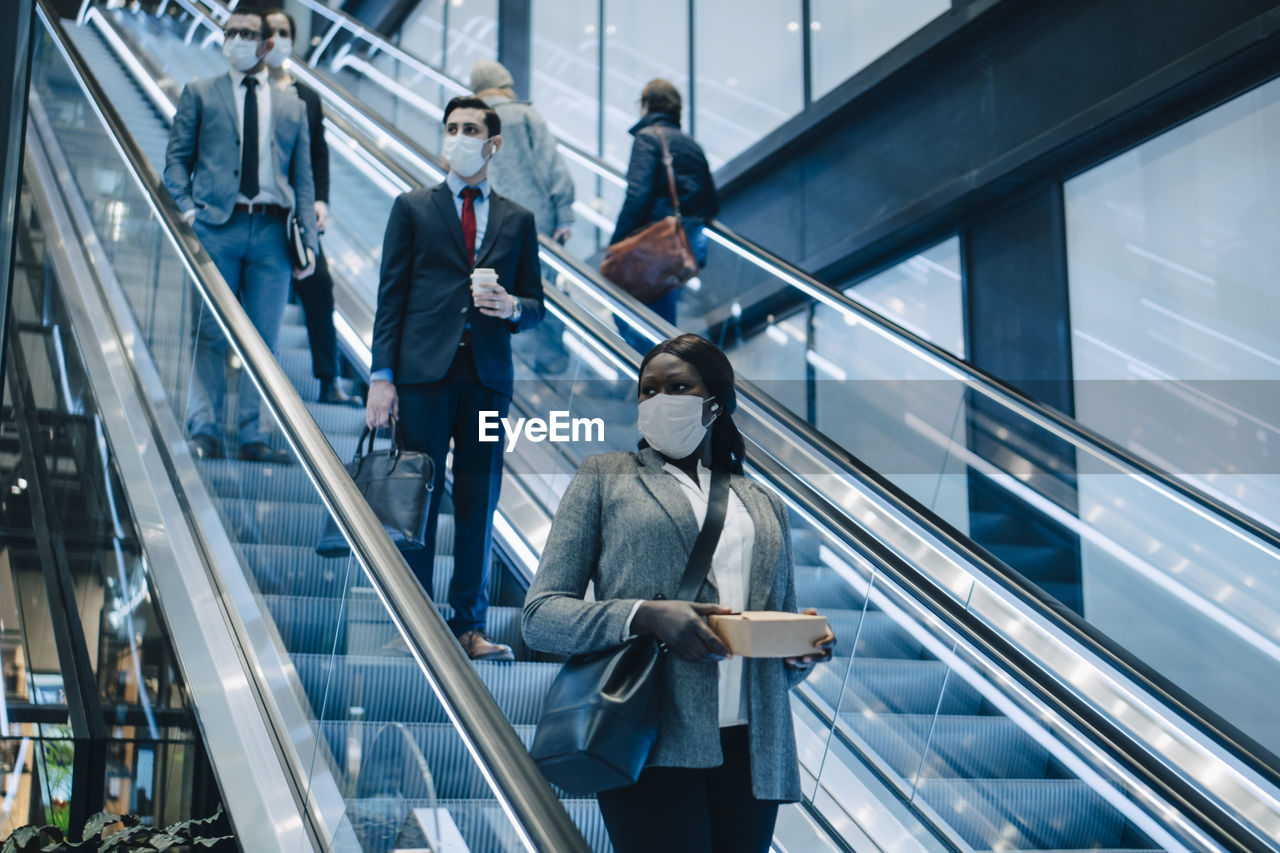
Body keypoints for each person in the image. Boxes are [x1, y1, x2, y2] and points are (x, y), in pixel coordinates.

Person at [523, 334, 835, 853]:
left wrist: (800, 652)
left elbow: (776, 633)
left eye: (678, 386)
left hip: (755, 745)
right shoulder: (605, 478)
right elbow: (540, 615)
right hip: (647, 733)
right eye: (648, 390)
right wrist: (646, 615)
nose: (658, 400)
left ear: (716, 400)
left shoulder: (762, 502)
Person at [366, 97, 544, 661]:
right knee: (415, 498)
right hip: (421, 375)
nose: (460, 136)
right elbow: (390, 296)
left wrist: (513, 306)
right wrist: (381, 376)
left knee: (478, 501)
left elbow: (537, 304)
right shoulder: (412, 207)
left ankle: (469, 625)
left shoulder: (518, 220)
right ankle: (413, 621)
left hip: (487, 378)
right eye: (453, 128)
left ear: (493, 144)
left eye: (472, 129)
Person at [164, 8, 318, 462]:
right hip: (217, 226)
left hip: (273, 231)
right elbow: (176, 159)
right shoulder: (200, 94)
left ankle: (254, 434)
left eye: (247, 34)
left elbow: (304, 179)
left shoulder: (293, 106)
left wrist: (307, 238)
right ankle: (204, 425)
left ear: (267, 44)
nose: (236, 40)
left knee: (264, 339)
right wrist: (189, 209)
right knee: (209, 331)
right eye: (230, 32)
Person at [264, 8, 360, 407]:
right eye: (271, 32)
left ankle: (329, 381)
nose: (278, 39)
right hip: (261, 213)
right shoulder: (247, 90)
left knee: (318, 286)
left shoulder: (306, 95)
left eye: (285, 32)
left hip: (297, 215)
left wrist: (320, 200)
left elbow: (319, 155)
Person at [609, 80, 719, 326]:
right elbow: (711, 202)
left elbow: (637, 195)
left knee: (633, 318)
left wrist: (616, 244)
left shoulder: (648, 138)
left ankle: (645, 363)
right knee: (661, 315)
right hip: (685, 250)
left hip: (652, 248)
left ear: (647, 105)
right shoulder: (691, 144)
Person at [469, 59, 574, 244]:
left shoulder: (468, 126)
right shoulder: (525, 115)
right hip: (538, 220)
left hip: (490, 223)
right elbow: (552, 166)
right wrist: (564, 216)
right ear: (505, 85)